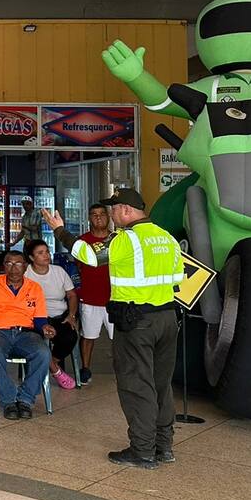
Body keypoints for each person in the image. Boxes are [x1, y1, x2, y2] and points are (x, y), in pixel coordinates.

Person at [44, 188, 184, 469]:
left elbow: (89, 255)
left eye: (114, 210)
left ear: (127, 210)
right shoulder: (166, 237)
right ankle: (163, 445)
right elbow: (179, 277)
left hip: (137, 322)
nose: (111, 216)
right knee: (160, 383)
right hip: (168, 319)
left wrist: (60, 231)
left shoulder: (128, 239)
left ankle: (142, 450)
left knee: (136, 383)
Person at [0, 251, 54, 420]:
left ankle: (25, 399)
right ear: (3, 266)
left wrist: (45, 327)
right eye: (9, 263)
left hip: (26, 333)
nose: (13, 268)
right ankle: (8, 399)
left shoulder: (34, 288)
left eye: (18, 263)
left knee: (43, 353)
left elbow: (39, 319)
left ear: (25, 266)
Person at [24, 239, 79, 391]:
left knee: (70, 336)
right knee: (35, 340)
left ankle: (50, 364)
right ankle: (56, 371)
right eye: (40, 253)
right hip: (34, 317)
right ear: (31, 258)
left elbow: (72, 296)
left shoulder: (59, 272)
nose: (46, 255)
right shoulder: (26, 274)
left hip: (59, 315)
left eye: (47, 251)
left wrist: (72, 315)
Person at [75, 203, 113, 383]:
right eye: (94, 214)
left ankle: (123, 370)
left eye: (102, 214)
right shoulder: (82, 241)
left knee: (119, 338)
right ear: (89, 218)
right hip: (89, 297)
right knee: (88, 336)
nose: (98, 217)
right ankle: (85, 369)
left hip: (115, 299)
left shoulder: (116, 239)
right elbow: (78, 266)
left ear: (109, 216)